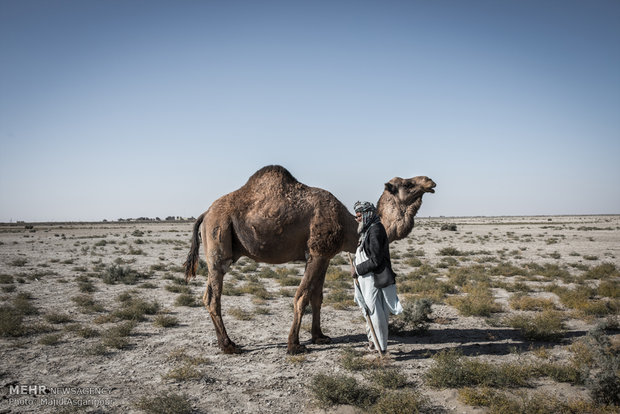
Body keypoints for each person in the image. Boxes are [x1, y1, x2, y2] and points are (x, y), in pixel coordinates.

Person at [350, 201, 403, 352]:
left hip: (374, 278)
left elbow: (375, 260)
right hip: (366, 280)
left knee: (376, 312)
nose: (357, 219)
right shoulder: (368, 230)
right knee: (369, 310)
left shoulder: (375, 231)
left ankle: (381, 347)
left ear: (367, 214)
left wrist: (357, 269)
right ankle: (373, 342)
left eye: (359, 215)